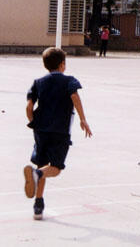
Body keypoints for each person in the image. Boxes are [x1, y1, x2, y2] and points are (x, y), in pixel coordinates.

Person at [22, 47, 92, 220]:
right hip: (60, 130)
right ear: (62, 65)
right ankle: (36, 176)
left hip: (41, 130)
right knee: (55, 168)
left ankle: (38, 205)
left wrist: (33, 122)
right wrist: (83, 119)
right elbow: (75, 98)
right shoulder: (69, 81)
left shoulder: (38, 82)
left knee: (42, 164)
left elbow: (29, 106)